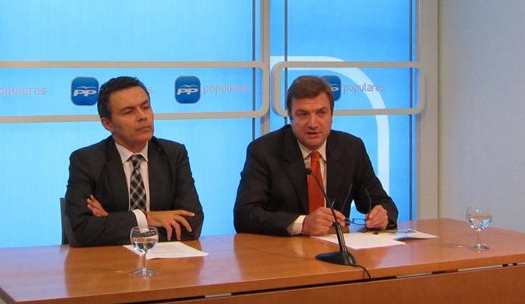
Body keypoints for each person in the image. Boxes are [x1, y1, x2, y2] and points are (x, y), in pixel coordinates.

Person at [233, 74, 397, 236]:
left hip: (337, 248)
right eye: (303, 114)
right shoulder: (264, 151)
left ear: (331, 115)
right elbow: (245, 215)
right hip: (283, 249)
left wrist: (382, 216)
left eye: (321, 113)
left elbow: (382, 202)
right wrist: (303, 224)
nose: (313, 123)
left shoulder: (351, 148)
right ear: (290, 117)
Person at [63, 76, 205, 246]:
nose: (142, 116)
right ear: (108, 124)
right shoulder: (86, 161)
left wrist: (111, 220)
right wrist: (146, 217)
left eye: (145, 107)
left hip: (165, 260)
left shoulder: (173, 154)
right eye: (129, 112)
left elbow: (191, 224)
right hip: (109, 261)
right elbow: (80, 231)